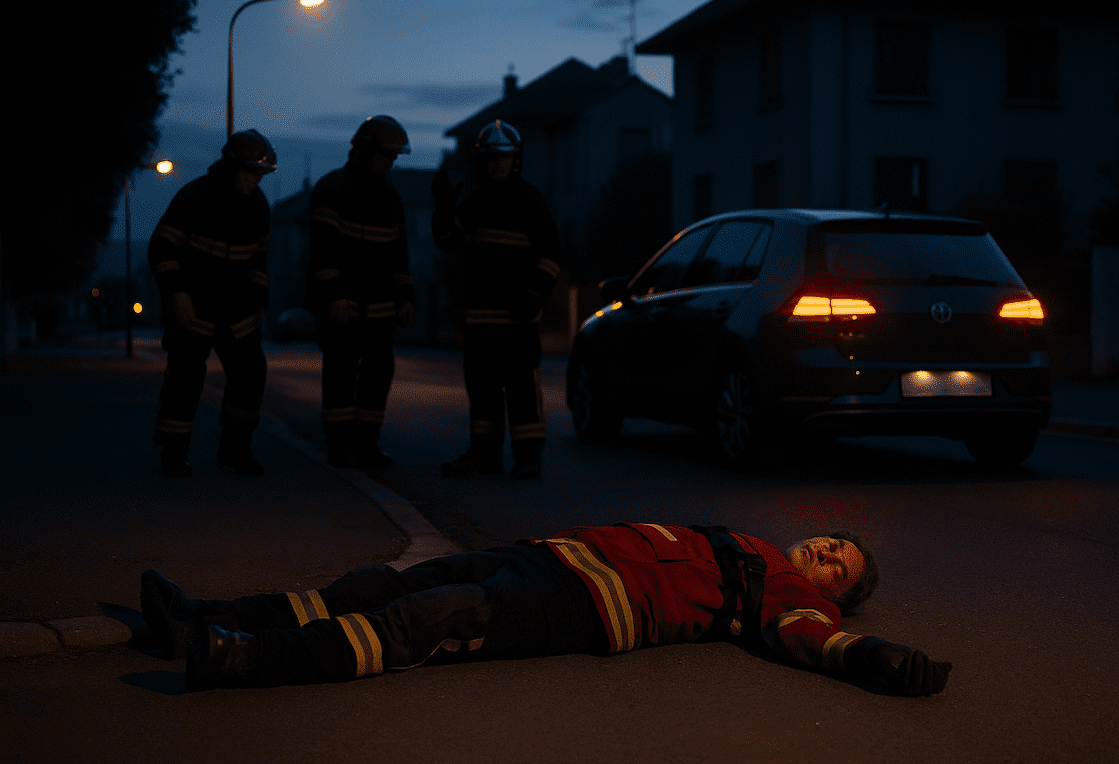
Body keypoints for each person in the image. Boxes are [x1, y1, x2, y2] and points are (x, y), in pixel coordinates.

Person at [140, 522, 952, 696]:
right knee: (373, 585)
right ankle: (202, 617)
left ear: (836, 591)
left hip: (592, 606)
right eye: (832, 542)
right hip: (552, 555)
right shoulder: (753, 542)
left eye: (840, 567)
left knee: (430, 619)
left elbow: (811, 640)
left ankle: (240, 659)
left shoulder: (788, 593)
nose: (827, 554)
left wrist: (871, 657)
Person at [431, 120, 563, 479]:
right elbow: (449, 241)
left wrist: (534, 293)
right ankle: (483, 456)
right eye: (490, 159)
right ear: (482, 161)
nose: (497, 165)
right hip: (480, 319)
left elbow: (551, 254)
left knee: (522, 389)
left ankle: (528, 457)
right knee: (483, 390)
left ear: (515, 160)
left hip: (518, 319)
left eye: (503, 158)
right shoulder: (475, 201)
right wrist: (443, 209)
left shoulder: (531, 202)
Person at [147, 130, 275, 477]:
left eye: (260, 175)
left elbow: (258, 264)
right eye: (250, 173)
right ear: (231, 166)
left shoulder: (259, 207)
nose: (255, 181)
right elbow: (162, 248)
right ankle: (174, 454)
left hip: (237, 313)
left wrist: (259, 304)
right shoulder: (195, 197)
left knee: (250, 373)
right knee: (185, 378)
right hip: (193, 308)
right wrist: (176, 293)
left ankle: (236, 450)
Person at [304, 116, 416, 468]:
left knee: (377, 374)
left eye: (395, 156)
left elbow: (400, 253)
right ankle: (338, 447)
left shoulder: (390, 197)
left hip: (380, 309)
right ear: (365, 149)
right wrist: (334, 294)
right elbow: (323, 250)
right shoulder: (332, 189)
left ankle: (367, 444)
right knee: (340, 374)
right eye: (387, 154)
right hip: (342, 307)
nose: (391, 162)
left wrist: (406, 298)